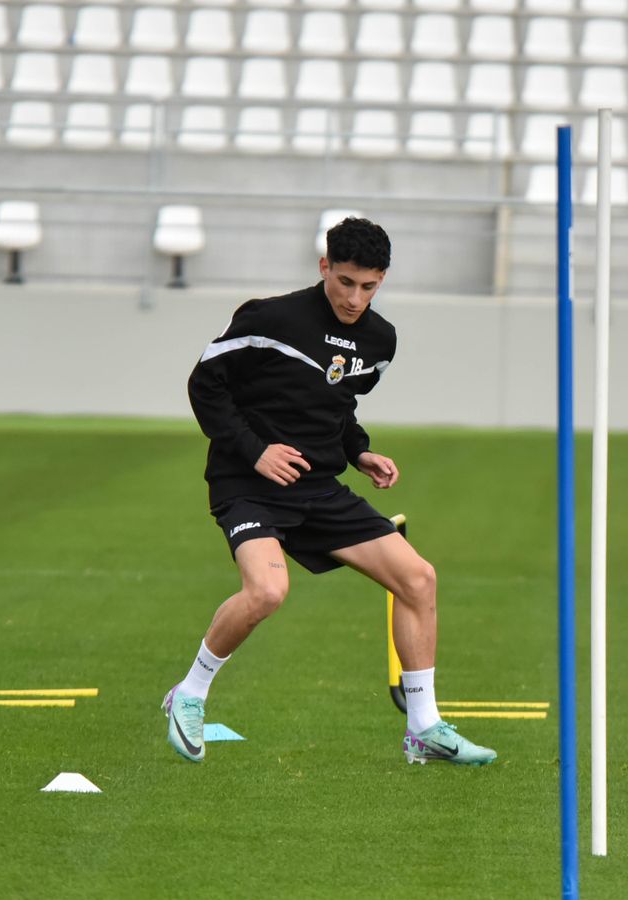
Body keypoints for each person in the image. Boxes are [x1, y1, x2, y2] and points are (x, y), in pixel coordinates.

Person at [164, 217, 495, 765]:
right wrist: (255, 450)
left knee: (418, 578)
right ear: (324, 268)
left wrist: (359, 451)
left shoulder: (381, 340)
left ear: (382, 279)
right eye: (345, 281)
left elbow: (338, 405)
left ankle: (423, 728)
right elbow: (205, 384)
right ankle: (189, 694)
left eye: (368, 286)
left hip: (317, 487)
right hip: (247, 482)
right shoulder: (269, 317)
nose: (354, 297)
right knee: (268, 592)